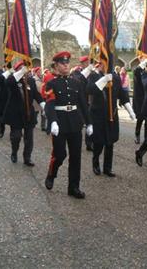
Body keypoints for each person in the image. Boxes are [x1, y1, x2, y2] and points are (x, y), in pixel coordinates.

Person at [44, 51, 93, 199]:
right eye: (62, 63)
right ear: (56, 65)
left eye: (67, 63)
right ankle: (52, 173)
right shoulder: (51, 83)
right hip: (59, 122)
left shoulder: (76, 82)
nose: (66, 65)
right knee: (60, 154)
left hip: (75, 122)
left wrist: (89, 122)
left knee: (76, 157)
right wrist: (52, 121)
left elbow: (83, 104)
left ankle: (73, 187)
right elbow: (49, 104)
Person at [87, 60, 136, 177]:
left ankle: (107, 168)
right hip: (98, 115)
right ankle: (95, 163)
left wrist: (130, 111)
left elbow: (123, 96)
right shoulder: (94, 75)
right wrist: (104, 80)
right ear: (100, 64)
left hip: (111, 115)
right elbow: (89, 90)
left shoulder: (116, 77)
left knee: (110, 142)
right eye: (105, 64)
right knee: (99, 142)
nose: (108, 66)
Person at [3, 60, 45, 166]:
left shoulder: (30, 80)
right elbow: (7, 83)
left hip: (28, 113)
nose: (24, 70)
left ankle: (27, 157)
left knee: (29, 138)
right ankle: (14, 152)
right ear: (17, 70)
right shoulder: (12, 80)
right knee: (16, 137)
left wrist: (43, 104)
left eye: (24, 68)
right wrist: (19, 73)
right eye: (21, 68)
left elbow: (35, 94)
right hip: (16, 114)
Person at [132, 56, 147, 144]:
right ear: (140, 59)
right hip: (140, 99)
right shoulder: (137, 70)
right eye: (143, 58)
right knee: (140, 118)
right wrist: (143, 64)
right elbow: (137, 72)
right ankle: (137, 135)